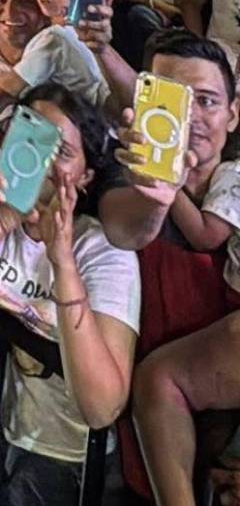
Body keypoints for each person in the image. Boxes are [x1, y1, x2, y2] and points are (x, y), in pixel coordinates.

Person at [0, 86, 139, 506]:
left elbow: (102, 407)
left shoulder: (104, 249)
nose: (45, 158)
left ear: (87, 176)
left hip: (58, 451)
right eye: (33, 137)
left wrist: (63, 264)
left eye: (64, 151)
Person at [96, 34, 240, 503]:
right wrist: (157, 195)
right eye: (172, 98)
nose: (190, 117)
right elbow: (125, 228)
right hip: (142, 457)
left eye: (207, 101)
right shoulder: (121, 175)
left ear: (233, 115)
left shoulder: (233, 187)